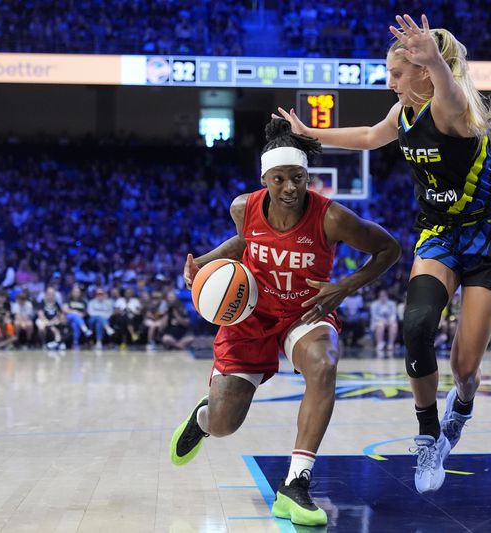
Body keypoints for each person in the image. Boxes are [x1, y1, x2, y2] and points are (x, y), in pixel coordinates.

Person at [275, 13, 491, 494]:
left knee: (465, 367)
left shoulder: (454, 108)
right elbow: (371, 137)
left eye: (396, 74)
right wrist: (308, 133)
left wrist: (433, 60)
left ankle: (464, 403)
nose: (390, 84)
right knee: (415, 327)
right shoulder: (402, 113)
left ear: (424, 73)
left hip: (488, 238)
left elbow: (449, 92)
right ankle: (428, 433)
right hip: (439, 234)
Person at [169, 118, 401, 527]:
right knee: (225, 425)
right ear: (266, 180)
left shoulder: (332, 218)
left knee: (324, 364)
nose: (290, 188)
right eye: (280, 180)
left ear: (308, 176)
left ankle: (295, 484)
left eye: (298, 178)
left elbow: (389, 249)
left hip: (305, 312)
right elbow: (246, 241)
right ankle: (205, 418)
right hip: (252, 313)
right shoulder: (244, 207)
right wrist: (207, 260)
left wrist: (344, 286)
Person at [369, 288, 399, 353]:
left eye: (384, 295)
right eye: (381, 296)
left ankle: (390, 344)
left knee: (394, 325)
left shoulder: (392, 304)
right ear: (379, 296)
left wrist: (390, 321)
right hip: (377, 322)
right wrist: (383, 320)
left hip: (389, 322)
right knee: (380, 325)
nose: (383, 297)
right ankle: (380, 344)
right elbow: (374, 316)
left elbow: (393, 314)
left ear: (387, 296)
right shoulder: (374, 304)